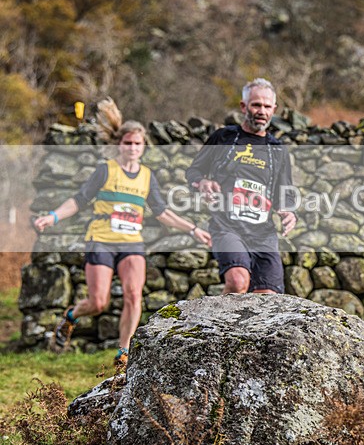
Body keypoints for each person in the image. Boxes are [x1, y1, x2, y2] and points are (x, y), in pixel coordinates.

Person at [33, 98, 212, 369]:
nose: (132, 148)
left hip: (131, 243)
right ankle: (70, 317)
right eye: (128, 143)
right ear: (120, 144)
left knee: (133, 295)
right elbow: (79, 200)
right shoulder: (106, 170)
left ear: (143, 147)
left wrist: (194, 228)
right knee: (98, 302)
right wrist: (52, 216)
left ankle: (124, 352)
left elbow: (162, 213)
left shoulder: (147, 176)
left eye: (137, 143)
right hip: (101, 240)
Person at [185, 78, 296, 295]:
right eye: (256, 105)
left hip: (262, 233)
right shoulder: (223, 138)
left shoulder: (278, 150)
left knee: (268, 298)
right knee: (238, 281)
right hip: (227, 226)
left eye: (267, 106)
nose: (261, 111)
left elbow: (284, 192)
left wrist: (288, 212)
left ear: (274, 110)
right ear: (244, 107)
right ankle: (217, 319)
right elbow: (193, 172)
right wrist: (203, 182)